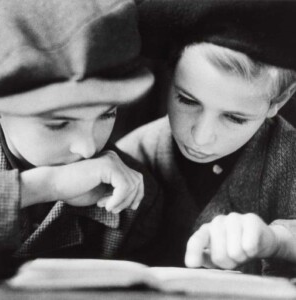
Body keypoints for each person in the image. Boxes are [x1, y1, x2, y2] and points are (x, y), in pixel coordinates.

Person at [117, 0, 296, 276]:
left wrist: (278, 242)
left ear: (280, 99)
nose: (200, 139)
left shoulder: (289, 162)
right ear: (171, 74)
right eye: (187, 100)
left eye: (235, 118)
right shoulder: (131, 155)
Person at [0, 0, 162, 279]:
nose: (87, 148)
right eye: (59, 123)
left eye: (107, 115)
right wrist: (47, 186)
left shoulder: (132, 199)